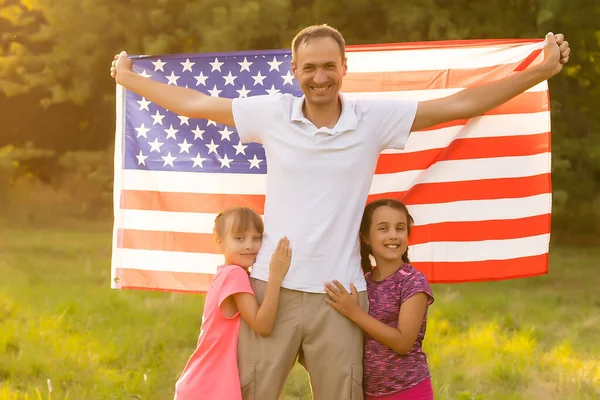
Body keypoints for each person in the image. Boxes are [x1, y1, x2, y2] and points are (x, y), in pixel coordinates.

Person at [110, 24, 570, 399]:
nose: (320, 77)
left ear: (344, 67)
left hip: (341, 298)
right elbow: (197, 105)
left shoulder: (373, 119)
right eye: (309, 68)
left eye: (330, 66)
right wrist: (129, 78)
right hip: (274, 290)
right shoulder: (272, 113)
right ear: (294, 71)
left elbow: (458, 104)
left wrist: (542, 70)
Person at [173, 207, 291, 400]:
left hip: (202, 382)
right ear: (220, 244)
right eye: (239, 238)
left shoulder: (225, 273)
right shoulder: (234, 274)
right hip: (209, 386)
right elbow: (262, 325)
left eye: (256, 238)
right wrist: (276, 276)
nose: (249, 245)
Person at [325, 199, 434, 400]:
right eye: (383, 228)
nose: (393, 235)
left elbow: (403, 343)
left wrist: (354, 313)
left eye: (400, 228)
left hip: (409, 390)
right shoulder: (362, 282)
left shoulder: (413, 282)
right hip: (369, 392)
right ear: (366, 237)